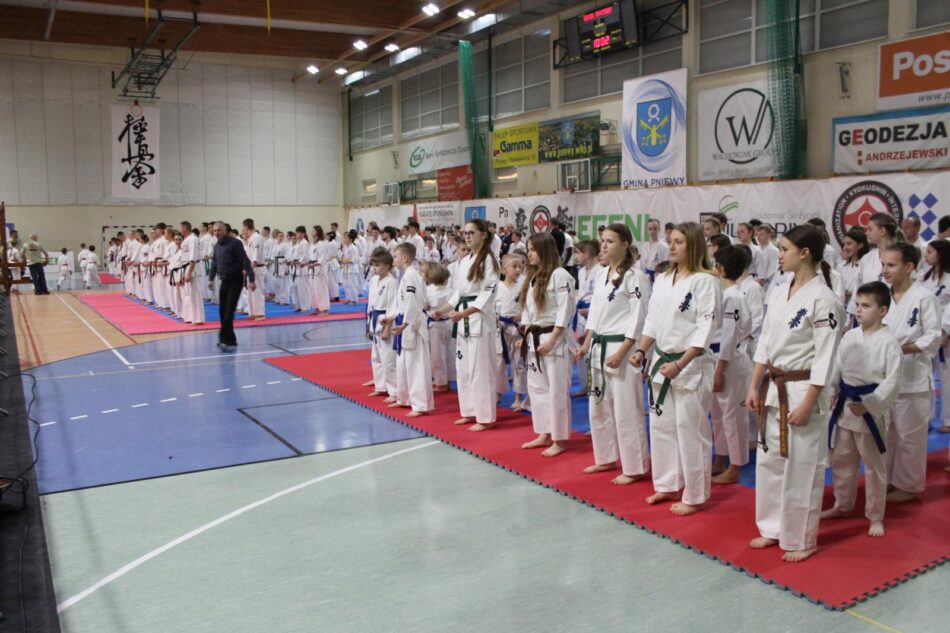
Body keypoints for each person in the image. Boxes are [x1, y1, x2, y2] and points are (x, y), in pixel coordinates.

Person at [746, 224, 843, 562]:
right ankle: (772, 528)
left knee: (802, 467)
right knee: (770, 461)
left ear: (805, 253)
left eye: (784, 249)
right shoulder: (778, 291)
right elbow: (766, 342)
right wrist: (754, 384)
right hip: (774, 388)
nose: (779, 254)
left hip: (802, 390)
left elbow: (826, 356)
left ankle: (802, 537)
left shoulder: (824, 299)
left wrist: (809, 402)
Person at [630, 222, 721, 516]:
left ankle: (695, 495)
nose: (671, 246)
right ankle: (667, 484)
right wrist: (641, 350)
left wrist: (681, 363)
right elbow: (653, 321)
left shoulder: (706, 281)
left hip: (691, 365)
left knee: (690, 430)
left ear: (693, 245)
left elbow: (706, 328)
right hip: (661, 361)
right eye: (671, 241)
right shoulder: (663, 278)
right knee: (662, 426)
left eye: (678, 242)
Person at [822, 281, 902, 538]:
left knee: (873, 466)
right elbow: (837, 367)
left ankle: (875, 516)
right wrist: (832, 390)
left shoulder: (889, 342)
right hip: (846, 406)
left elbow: (892, 381)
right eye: (857, 304)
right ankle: (843, 504)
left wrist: (869, 404)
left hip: (871, 410)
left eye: (866, 306)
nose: (858, 310)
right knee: (842, 460)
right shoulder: (850, 336)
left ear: (882, 310)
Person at [575, 223, 650, 485]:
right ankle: (605, 457)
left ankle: (635, 466)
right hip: (599, 348)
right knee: (599, 407)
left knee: (627, 410)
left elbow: (639, 317)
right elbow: (595, 314)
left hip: (622, 351)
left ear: (625, 245)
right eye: (603, 241)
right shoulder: (602, 274)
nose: (604, 245)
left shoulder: (635, 276)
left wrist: (623, 351)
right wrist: (586, 344)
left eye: (610, 241)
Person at [881, 242, 941, 504]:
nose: (885, 270)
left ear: (908, 267)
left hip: (913, 375)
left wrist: (901, 349)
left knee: (909, 436)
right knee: (887, 434)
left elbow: (933, 336)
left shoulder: (924, 297)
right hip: (883, 376)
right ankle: (887, 479)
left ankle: (908, 484)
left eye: (891, 265)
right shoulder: (882, 296)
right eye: (883, 264)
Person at [435, 219, 500, 431]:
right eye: (465, 233)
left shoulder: (489, 260)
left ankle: (485, 417)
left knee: (481, 370)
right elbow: (459, 293)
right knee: (463, 369)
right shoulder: (464, 261)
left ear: (483, 235)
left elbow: (487, 293)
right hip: (463, 319)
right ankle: (469, 411)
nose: (467, 236)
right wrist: (443, 310)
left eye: (472, 233)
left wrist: (465, 312)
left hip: (479, 319)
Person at [519, 233, 576, 457]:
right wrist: (525, 333)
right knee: (537, 389)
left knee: (556, 391)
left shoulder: (560, 275)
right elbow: (527, 310)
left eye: (533, 249)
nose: (529, 254)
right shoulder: (533, 276)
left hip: (555, 339)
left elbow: (565, 310)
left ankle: (559, 439)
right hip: (535, 338)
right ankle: (544, 432)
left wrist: (552, 339)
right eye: (528, 249)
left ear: (545, 250)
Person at [710, 246, 753, 485]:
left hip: (730, 361)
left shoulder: (734, 296)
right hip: (716, 357)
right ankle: (720, 458)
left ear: (719, 268)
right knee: (717, 413)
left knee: (733, 414)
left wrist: (720, 370)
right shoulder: (723, 293)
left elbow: (729, 335)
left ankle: (735, 466)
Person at [381, 243, 433, 417]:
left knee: (416, 365)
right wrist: (391, 317)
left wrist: (405, 324)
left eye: (395, 256)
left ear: (405, 258)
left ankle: (420, 405)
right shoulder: (406, 276)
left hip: (412, 324)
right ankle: (404, 398)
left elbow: (413, 303)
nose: (393, 259)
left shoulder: (411, 276)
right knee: (402, 363)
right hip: (404, 321)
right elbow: (402, 304)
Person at [208, 222, 255, 350]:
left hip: (236, 280)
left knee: (229, 311)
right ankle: (231, 339)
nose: (216, 233)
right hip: (224, 280)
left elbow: (245, 261)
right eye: (214, 230)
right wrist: (210, 279)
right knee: (222, 311)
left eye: (219, 230)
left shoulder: (235, 243)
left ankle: (224, 340)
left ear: (225, 230)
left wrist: (251, 279)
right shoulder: (217, 245)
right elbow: (214, 263)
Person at [495, 254, 528, 411]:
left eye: (520, 266)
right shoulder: (497, 287)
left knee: (519, 361)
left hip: (517, 328)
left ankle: (518, 396)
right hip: (500, 327)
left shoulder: (524, 287)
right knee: (498, 362)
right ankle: (498, 392)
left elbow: (530, 308)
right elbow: (491, 308)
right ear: (504, 269)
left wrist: (522, 318)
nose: (518, 269)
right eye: (514, 266)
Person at [366, 249, 398, 399]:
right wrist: (369, 325)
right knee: (376, 357)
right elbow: (370, 305)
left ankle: (394, 391)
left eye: (377, 265)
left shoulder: (392, 283)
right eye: (373, 265)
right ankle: (381, 386)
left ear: (387, 266)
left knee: (388, 359)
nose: (374, 268)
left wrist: (387, 329)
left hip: (385, 320)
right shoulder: (374, 280)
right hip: (374, 319)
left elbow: (393, 307)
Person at [424, 262, 454, 393]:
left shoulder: (429, 290)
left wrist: (429, 309)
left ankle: (441, 383)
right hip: (449, 323)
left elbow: (424, 306)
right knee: (448, 353)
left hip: (436, 326)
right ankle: (447, 380)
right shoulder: (450, 291)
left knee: (437, 355)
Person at [181, 221, 204, 324]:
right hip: (186, 266)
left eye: (181, 228)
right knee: (188, 294)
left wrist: (189, 272)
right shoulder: (187, 239)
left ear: (185, 228)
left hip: (193, 267)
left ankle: (198, 319)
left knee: (195, 295)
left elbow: (193, 257)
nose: (180, 230)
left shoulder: (193, 239)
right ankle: (190, 317)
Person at [639, 218, 669, 284]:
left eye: (655, 229)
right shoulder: (644, 247)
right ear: (647, 230)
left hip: (660, 279)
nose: (652, 231)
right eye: (650, 229)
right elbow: (642, 265)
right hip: (646, 278)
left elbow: (668, 265)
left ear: (659, 229)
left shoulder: (664, 247)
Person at [341, 229, 363, 304]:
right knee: (346, 284)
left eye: (347, 238)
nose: (345, 239)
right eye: (345, 238)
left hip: (352, 268)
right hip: (346, 268)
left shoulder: (354, 247)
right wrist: (342, 260)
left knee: (353, 284)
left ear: (351, 239)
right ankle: (349, 298)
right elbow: (343, 255)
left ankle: (354, 300)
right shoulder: (345, 247)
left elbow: (354, 259)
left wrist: (346, 261)